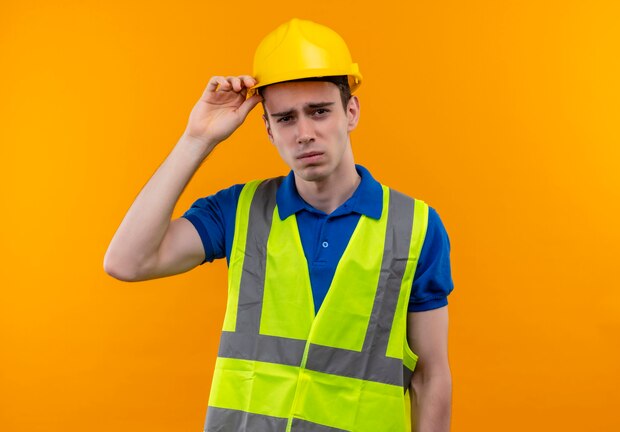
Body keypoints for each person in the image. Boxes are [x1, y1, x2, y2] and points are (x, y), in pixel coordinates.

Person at [104, 18, 453, 432]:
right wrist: (197, 139)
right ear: (267, 129)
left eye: (319, 111)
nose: (304, 133)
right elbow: (127, 262)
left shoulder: (414, 227)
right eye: (285, 119)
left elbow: (430, 377)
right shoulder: (238, 211)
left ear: (351, 112)